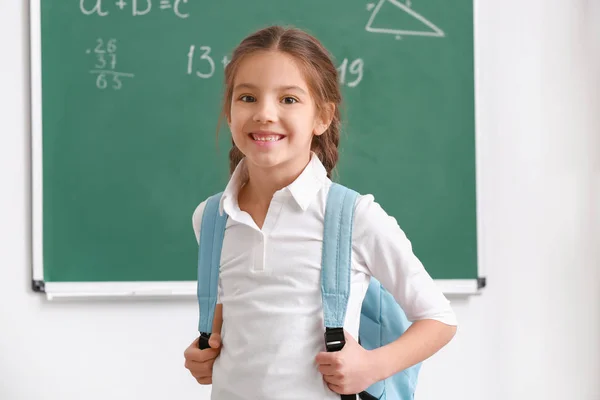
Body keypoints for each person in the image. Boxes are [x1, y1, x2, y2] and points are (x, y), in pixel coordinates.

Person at [183, 25, 457, 400]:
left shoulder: (353, 217)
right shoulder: (212, 217)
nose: (264, 114)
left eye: (289, 100)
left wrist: (371, 367)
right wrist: (204, 351)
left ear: (323, 117)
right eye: (247, 97)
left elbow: (439, 318)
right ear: (229, 114)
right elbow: (228, 315)